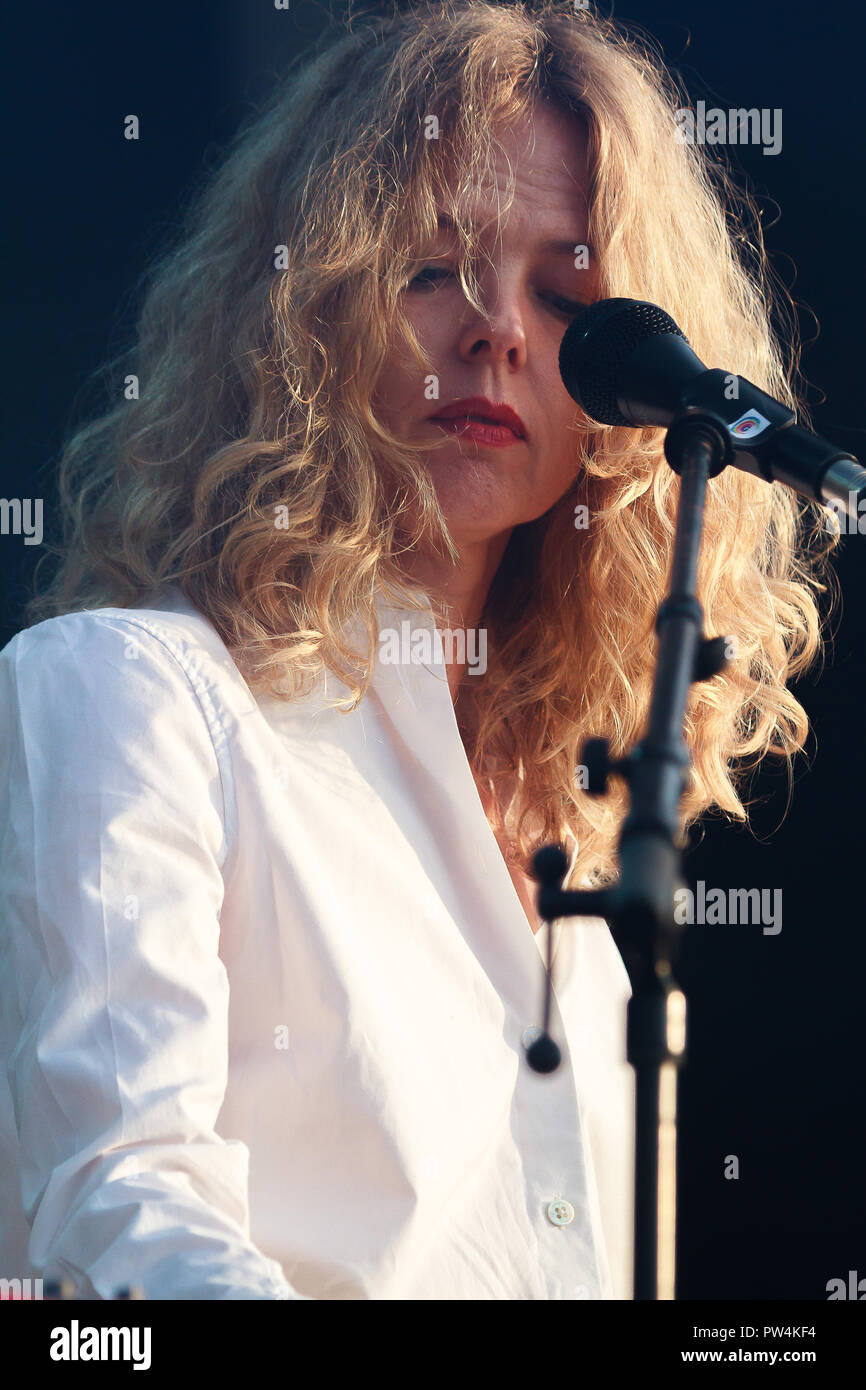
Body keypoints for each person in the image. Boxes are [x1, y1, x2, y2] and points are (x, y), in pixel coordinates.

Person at [0, 0, 830, 1300]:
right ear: (302, 308)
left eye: (565, 294)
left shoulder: (579, 878)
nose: (498, 328)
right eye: (431, 268)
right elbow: (126, 1205)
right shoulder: (127, 693)